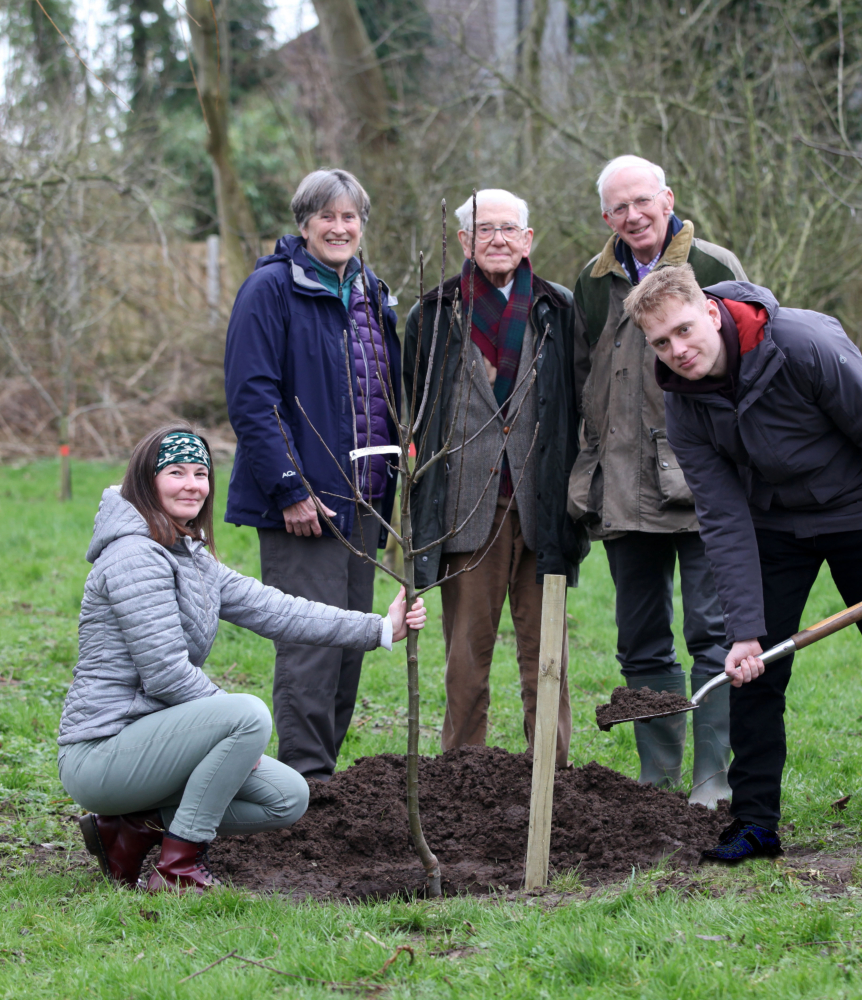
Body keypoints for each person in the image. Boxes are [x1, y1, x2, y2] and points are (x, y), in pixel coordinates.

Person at [623, 264, 862, 862]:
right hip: (773, 523)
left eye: (682, 330)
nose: (677, 350)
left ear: (707, 309)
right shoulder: (682, 402)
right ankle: (756, 823)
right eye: (660, 342)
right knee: (752, 670)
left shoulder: (805, 344)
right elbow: (722, 517)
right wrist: (746, 631)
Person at [58, 427, 426, 893]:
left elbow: (276, 609)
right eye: (175, 473)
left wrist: (378, 628)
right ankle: (179, 867)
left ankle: (131, 830)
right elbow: (166, 673)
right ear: (146, 480)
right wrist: (233, 731)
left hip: (154, 744)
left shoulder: (188, 555)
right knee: (248, 715)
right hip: (102, 753)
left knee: (286, 797)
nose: (192, 484)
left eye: (200, 473)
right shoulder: (134, 556)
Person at [568, 154, 746, 804]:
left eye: (643, 201)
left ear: (667, 198)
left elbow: (745, 363)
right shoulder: (590, 282)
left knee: (714, 634)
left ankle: (713, 777)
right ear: (605, 216)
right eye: (619, 207)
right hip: (619, 491)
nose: (634, 216)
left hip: (704, 489)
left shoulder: (716, 268)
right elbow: (580, 379)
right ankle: (657, 778)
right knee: (640, 640)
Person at [223, 168, 402, 780]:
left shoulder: (372, 292)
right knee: (311, 649)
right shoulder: (270, 290)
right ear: (304, 224)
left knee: (352, 644)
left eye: (350, 217)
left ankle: (320, 776)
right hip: (306, 507)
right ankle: (306, 782)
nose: (339, 227)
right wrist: (291, 489)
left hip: (364, 507)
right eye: (326, 216)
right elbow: (252, 398)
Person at [403, 189, 588, 767]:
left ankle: (551, 776)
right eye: (485, 230)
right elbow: (413, 409)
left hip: (543, 506)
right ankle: (461, 777)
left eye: (510, 229)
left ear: (529, 239)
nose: (498, 240)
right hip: (464, 507)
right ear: (464, 241)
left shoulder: (558, 309)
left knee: (546, 655)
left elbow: (577, 403)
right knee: (466, 656)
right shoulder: (432, 314)